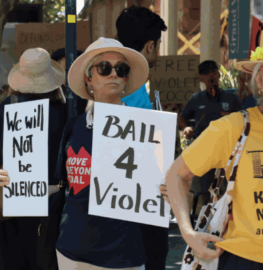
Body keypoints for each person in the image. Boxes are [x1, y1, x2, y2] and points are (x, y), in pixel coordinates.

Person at [160, 16, 263, 269]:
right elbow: (176, 175)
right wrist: (187, 232)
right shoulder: (233, 128)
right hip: (244, 260)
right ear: (258, 82)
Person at [0, 38, 149, 269]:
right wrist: (16, 179)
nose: (113, 75)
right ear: (89, 78)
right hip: (71, 252)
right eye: (104, 68)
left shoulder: (145, 131)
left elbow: (158, 189)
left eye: (121, 69)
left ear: (127, 78)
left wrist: (169, 189)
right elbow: (60, 185)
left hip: (123, 255)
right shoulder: (74, 127)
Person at [0, 47, 67, 270]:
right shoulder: (65, 111)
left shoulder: (9, 107)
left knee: (13, 258)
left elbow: (0, 155)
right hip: (53, 200)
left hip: (16, 196)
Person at [115, 5, 170, 269]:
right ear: (150, 46)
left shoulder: (110, 77)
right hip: (137, 202)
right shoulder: (134, 87)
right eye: (158, 46)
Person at [179, 60, 242, 213]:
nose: (211, 76)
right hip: (204, 151)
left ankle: (225, 218)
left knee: (228, 188)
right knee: (204, 189)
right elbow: (182, 117)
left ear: (219, 74)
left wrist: (233, 117)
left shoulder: (231, 98)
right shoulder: (196, 99)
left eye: (213, 72)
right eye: (206, 73)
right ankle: (208, 217)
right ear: (200, 77)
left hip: (228, 152)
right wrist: (186, 128)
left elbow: (244, 118)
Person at [115, 5, 167, 109]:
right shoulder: (132, 85)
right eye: (159, 44)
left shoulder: (116, 77)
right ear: (151, 46)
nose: (158, 52)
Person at [50, 48, 87, 115]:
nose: (76, 72)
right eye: (68, 68)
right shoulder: (47, 102)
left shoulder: (86, 100)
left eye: (79, 68)